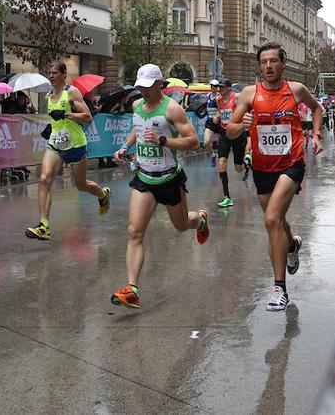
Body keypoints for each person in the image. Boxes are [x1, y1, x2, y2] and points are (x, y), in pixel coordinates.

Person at [228, 42, 323, 312]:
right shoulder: (249, 93)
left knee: (271, 220)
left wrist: (316, 136)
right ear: (259, 67)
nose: (268, 66)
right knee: (278, 221)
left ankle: (279, 289)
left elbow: (317, 109)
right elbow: (230, 130)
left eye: (273, 61)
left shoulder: (296, 90)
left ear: (283, 64)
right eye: (264, 62)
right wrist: (240, 125)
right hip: (262, 167)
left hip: (291, 163)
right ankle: (292, 246)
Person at [110, 64, 209, 310]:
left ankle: (200, 220)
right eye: (140, 87)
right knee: (134, 232)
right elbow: (137, 127)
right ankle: (132, 289)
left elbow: (194, 142)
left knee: (182, 225)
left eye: (147, 86)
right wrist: (126, 147)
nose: (143, 92)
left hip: (169, 178)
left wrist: (164, 140)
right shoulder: (136, 107)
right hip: (145, 177)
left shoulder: (172, 109)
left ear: (158, 84)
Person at [25, 61, 110, 241]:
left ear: (64, 74)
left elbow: (87, 117)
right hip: (56, 143)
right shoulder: (49, 95)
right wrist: (52, 126)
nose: (51, 76)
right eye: (49, 73)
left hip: (76, 144)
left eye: (54, 73)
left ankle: (102, 194)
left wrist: (65, 115)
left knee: (81, 185)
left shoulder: (71, 92)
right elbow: (56, 119)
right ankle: (44, 226)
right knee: (45, 178)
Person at [213, 78, 246, 208]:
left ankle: (246, 164)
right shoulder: (218, 100)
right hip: (224, 134)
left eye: (222, 87)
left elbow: (246, 104)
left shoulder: (236, 98)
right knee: (222, 163)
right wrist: (217, 117)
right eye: (218, 87)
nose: (219, 89)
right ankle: (227, 197)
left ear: (229, 88)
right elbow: (220, 111)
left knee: (238, 169)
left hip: (238, 134)